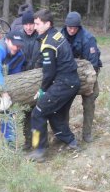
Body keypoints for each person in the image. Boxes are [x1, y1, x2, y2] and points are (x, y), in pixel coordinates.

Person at [27, 9, 80, 163]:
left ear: (47, 24)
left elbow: (49, 73)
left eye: (37, 24)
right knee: (53, 112)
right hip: (71, 82)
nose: (35, 27)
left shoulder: (49, 43)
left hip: (64, 83)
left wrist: (42, 90)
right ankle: (70, 141)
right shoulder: (55, 34)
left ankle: (39, 150)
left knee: (38, 113)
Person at [61, 11, 102, 143]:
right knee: (62, 103)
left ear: (78, 27)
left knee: (90, 101)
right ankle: (63, 133)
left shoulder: (88, 39)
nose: (71, 30)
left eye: (74, 27)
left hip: (88, 73)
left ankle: (87, 133)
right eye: (69, 27)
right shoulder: (60, 36)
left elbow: (93, 64)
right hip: (68, 74)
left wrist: (89, 82)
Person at [18, 10, 42, 150]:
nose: (29, 27)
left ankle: (37, 142)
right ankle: (28, 142)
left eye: (31, 24)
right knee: (26, 114)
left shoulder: (40, 37)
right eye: (26, 24)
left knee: (37, 114)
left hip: (37, 80)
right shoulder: (18, 37)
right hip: (22, 82)